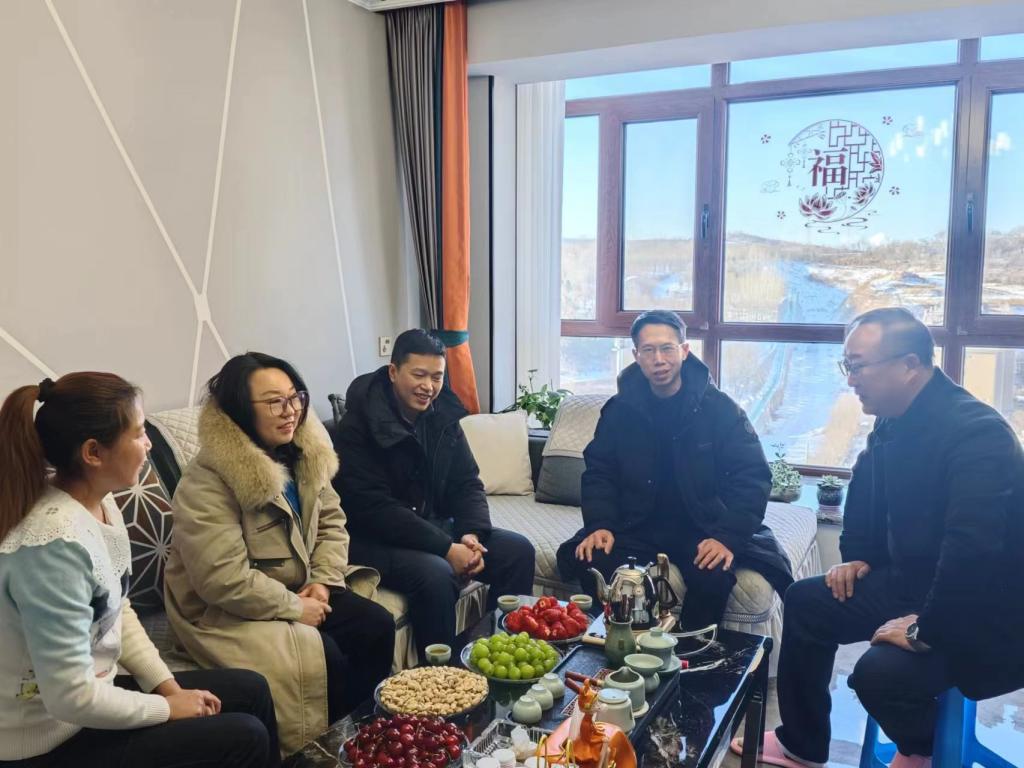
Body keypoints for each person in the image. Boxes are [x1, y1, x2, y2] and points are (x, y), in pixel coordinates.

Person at [735, 307, 1024, 768]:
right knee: (806, 601)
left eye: (858, 366)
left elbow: (972, 551)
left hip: (983, 609)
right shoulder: (893, 418)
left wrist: (925, 629)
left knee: (879, 675)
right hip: (915, 584)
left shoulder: (978, 435)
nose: (850, 379)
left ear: (909, 365)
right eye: (846, 366)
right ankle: (802, 743)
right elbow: (866, 489)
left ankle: (920, 750)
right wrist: (859, 556)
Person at [0, 373, 279, 768]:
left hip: (89, 701)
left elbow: (116, 611)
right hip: (47, 738)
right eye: (139, 432)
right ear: (93, 453)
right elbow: (70, 698)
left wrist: (167, 686)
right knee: (244, 736)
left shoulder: (99, 502)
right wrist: (167, 709)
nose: (148, 444)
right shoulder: (54, 549)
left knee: (251, 689)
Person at [163, 353, 395, 755]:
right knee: (324, 655)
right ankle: (321, 753)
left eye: (295, 397)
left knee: (376, 624)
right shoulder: (206, 482)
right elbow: (221, 579)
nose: (291, 411)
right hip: (227, 610)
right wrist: (294, 607)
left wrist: (323, 582)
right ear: (239, 410)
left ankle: (363, 741)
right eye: (274, 402)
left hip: (302, 587)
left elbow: (332, 523)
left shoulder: (303, 454)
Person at [556, 310, 792, 631]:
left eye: (667, 348)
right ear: (636, 356)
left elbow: (752, 477)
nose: (659, 359)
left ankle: (692, 651)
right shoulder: (619, 410)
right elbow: (600, 471)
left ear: (684, 350)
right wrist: (600, 524)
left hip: (702, 523)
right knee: (590, 556)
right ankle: (618, 641)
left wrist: (726, 537)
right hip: (636, 522)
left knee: (712, 575)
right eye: (649, 350)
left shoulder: (720, 409)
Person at [333, 329, 535, 656]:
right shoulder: (358, 426)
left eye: (437, 377)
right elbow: (375, 509)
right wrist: (445, 548)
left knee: (517, 551)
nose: (428, 386)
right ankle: (442, 675)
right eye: (419, 375)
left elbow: (466, 482)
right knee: (436, 575)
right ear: (394, 371)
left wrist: (471, 534)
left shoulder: (442, 417)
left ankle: (503, 654)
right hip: (372, 539)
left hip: (430, 527)